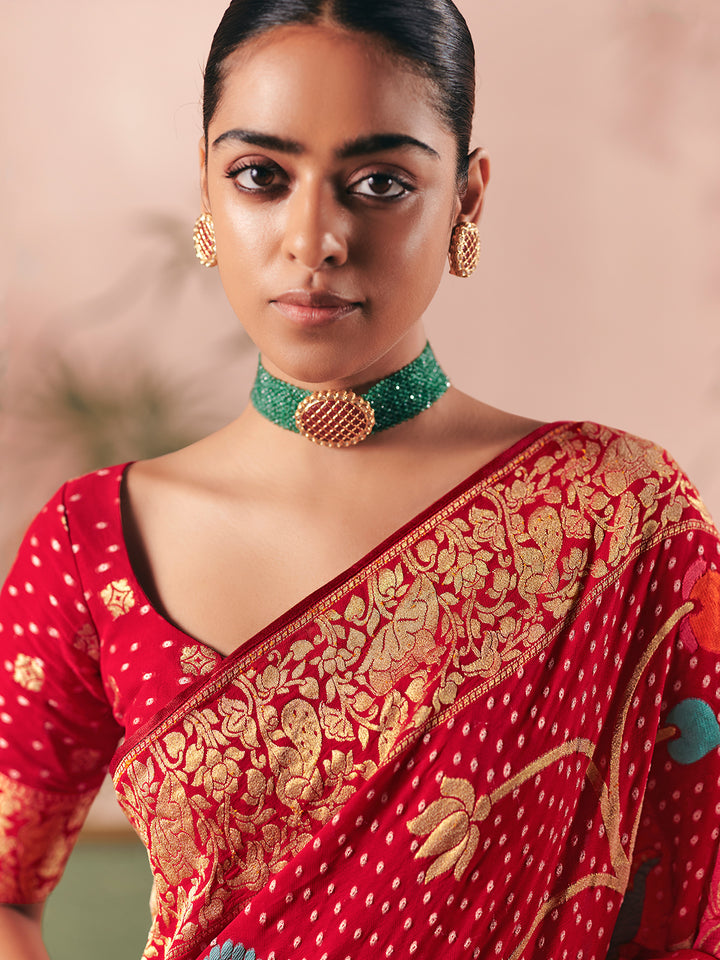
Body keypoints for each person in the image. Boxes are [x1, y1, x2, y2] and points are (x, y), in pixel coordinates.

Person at [1, 0, 719, 957]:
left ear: (467, 199)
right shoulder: (97, 537)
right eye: (260, 176)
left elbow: (699, 897)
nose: (316, 238)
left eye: (379, 182)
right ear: (207, 195)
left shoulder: (612, 512)